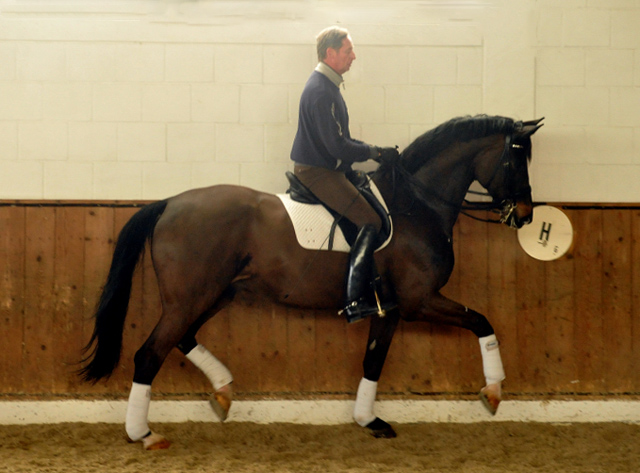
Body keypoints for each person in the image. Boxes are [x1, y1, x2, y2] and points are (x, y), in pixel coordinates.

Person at [290, 26, 399, 323]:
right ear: (331, 53)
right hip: (317, 173)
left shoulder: (328, 86)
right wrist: (375, 152)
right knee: (370, 220)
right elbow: (336, 145)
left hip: (331, 169)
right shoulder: (320, 91)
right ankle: (354, 301)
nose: (353, 56)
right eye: (348, 50)